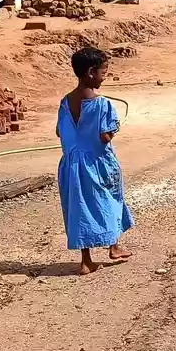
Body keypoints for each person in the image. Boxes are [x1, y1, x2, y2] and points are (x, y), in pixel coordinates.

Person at [57, 47, 134, 275]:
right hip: (98, 163)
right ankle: (114, 246)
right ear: (91, 72)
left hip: (71, 165)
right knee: (109, 201)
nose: (105, 76)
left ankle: (86, 260)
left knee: (79, 208)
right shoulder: (102, 105)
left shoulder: (65, 102)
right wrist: (114, 127)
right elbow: (105, 136)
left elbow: (60, 133)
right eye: (104, 72)